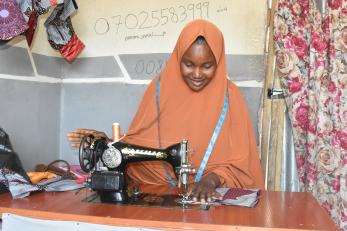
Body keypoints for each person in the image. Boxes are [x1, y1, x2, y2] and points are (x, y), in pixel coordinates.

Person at [67, 19, 264, 202]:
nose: (196, 74)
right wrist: (108, 145)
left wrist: (211, 180)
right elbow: (138, 144)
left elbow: (242, 166)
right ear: (178, 57)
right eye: (188, 64)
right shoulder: (159, 89)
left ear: (219, 63)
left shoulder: (231, 98)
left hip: (210, 196)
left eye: (207, 66)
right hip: (159, 190)